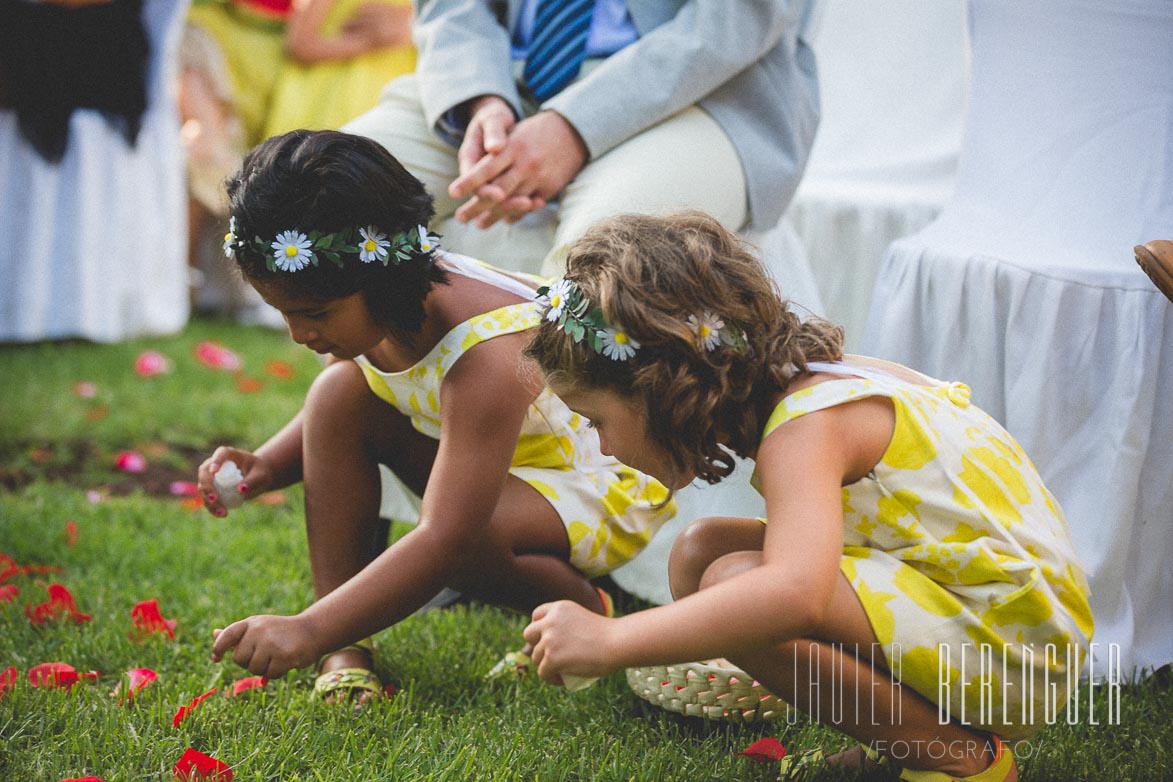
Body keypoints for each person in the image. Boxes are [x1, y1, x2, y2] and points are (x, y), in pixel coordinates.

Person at [521, 212, 1094, 781]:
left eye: (595, 420)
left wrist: (612, 639)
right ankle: (911, 741)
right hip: (1004, 618)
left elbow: (795, 595)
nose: (599, 446)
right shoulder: (821, 381)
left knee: (742, 585)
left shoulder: (808, 428)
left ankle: (966, 764)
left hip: (1020, 655)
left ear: (663, 389)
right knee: (700, 551)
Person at [201, 130, 675, 700]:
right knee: (336, 395)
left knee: (463, 535)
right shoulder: (382, 302)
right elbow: (356, 399)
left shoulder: (490, 355)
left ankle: (581, 607)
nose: (301, 334)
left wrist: (304, 628)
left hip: (595, 474)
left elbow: (446, 535)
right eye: (286, 314)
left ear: (380, 277)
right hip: (505, 470)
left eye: (315, 314)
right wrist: (269, 465)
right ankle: (345, 649)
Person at [342, 0, 820, 277]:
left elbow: (738, 18)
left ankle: (546, 439)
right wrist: (483, 100)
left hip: (705, 90)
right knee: (321, 196)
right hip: (501, 74)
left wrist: (574, 127)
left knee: (601, 265)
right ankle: (357, 421)